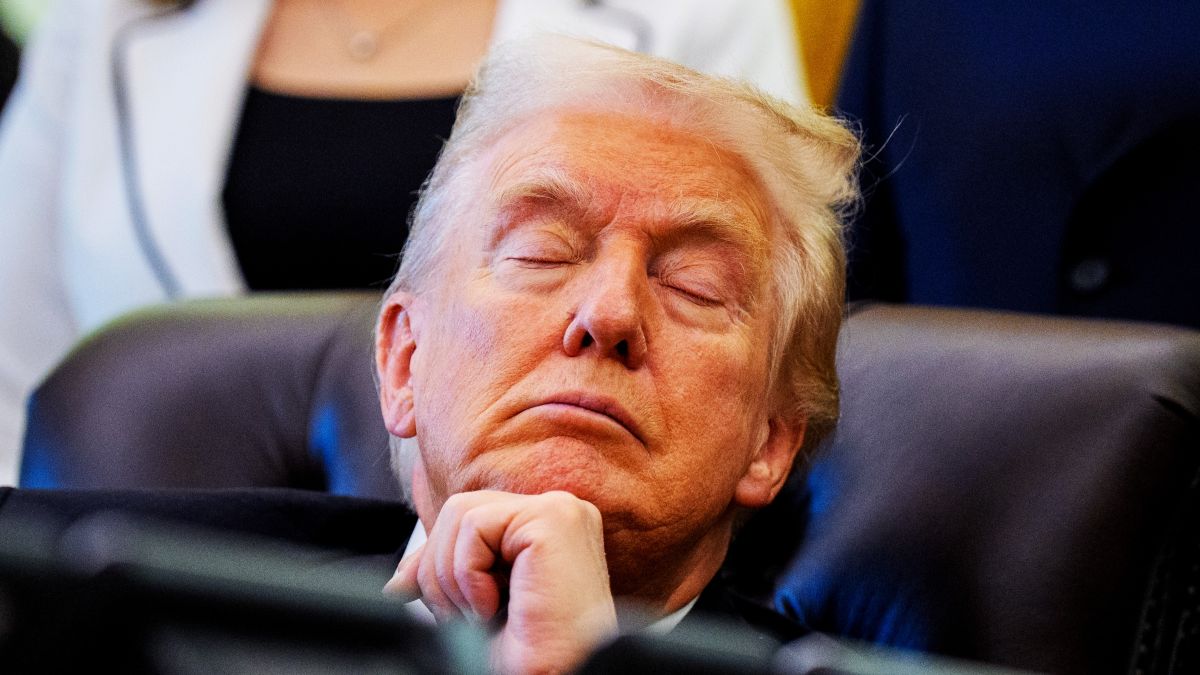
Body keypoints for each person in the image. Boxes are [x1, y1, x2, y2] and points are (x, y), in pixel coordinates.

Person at [0, 0, 807, 486]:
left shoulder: (696, 12)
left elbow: (768, 330)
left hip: (546, 589)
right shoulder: (106, 16)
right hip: (154, 591)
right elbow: (13, 376)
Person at [371, 35, 858, 672]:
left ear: (769, 442)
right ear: (406, 362)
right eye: (541, 253)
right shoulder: (208, 579)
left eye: (693, 286)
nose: (610, 313)